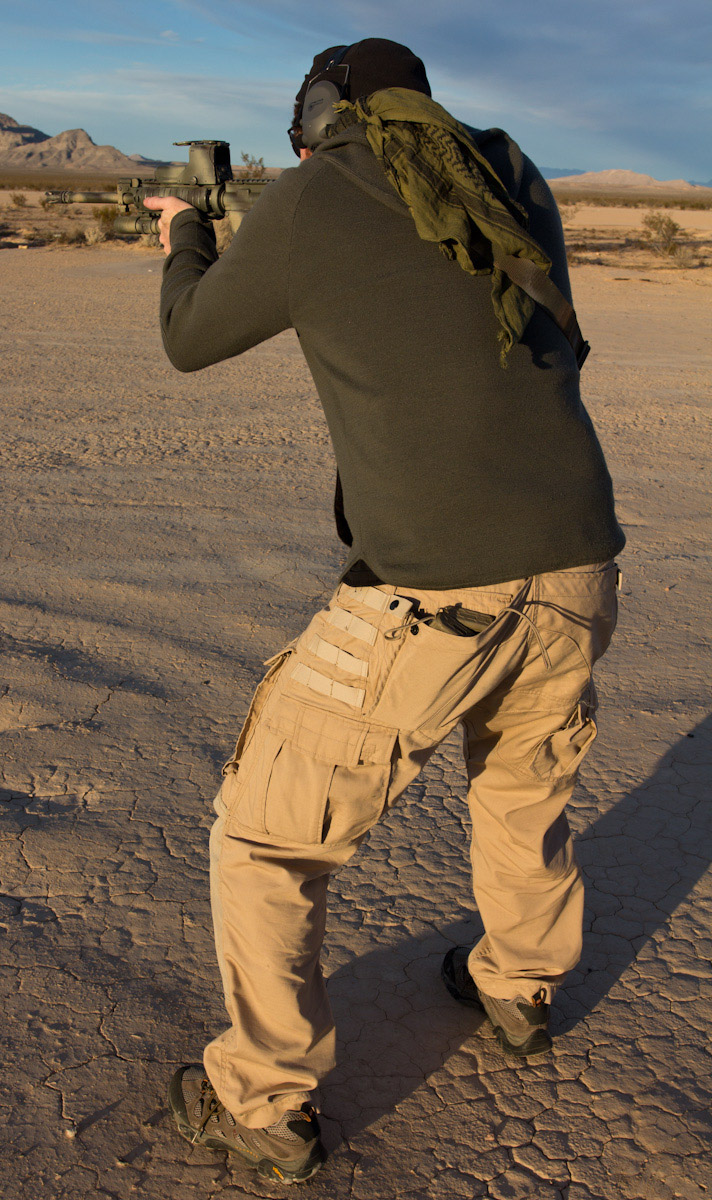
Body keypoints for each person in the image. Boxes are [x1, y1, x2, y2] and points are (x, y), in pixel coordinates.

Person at [144, 38, 624, 1184]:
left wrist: (187, 237)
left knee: (265, 840)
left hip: (431, 586)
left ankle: (263, 1100)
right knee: (520, 793)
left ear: (317, 116)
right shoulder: (507, 172)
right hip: (576, 561)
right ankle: (517, 991)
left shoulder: (312, 198)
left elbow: (188, 337)